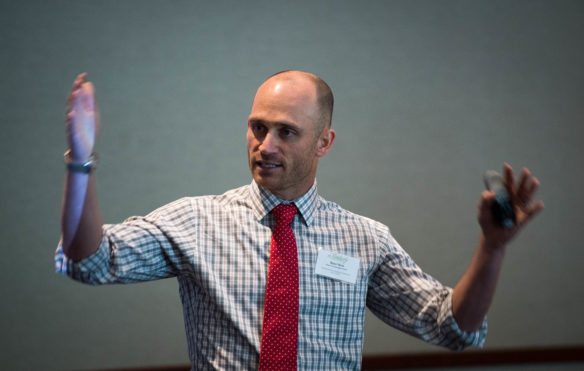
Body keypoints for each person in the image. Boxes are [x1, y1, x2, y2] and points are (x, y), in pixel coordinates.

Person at [56, 70, 544, 370]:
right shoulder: (198, 221)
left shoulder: (363, 241)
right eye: (258, 127)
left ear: (324, 143)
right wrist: (81, 163)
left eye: (287, 132)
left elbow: (451, 327)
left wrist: (493, 248)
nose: (265, 146)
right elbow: (91, 260)